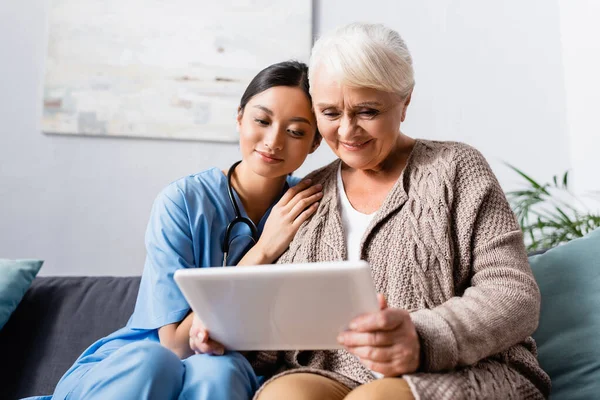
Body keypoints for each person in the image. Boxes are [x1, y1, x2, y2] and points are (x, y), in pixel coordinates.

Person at [247, 23, 552, 400]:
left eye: (367, 111)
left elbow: (514, 293)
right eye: (329, 112)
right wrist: (231, 335)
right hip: (333, 373)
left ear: (405, 101)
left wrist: (423, 338)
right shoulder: (308, 192)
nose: (347, 131)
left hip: (463, 369)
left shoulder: (456, 168)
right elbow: (283, 321)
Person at [49, 60, 322, 400]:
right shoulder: (182, 202)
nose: (273, 141)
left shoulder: (309, 208)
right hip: (138, 366)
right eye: (262, 120)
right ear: (239, 117)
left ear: (314, 143)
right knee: (155, 362)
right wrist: (263, 251)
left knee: (222, 371)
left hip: (226, 365)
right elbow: (176, 345)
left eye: (295, 131)